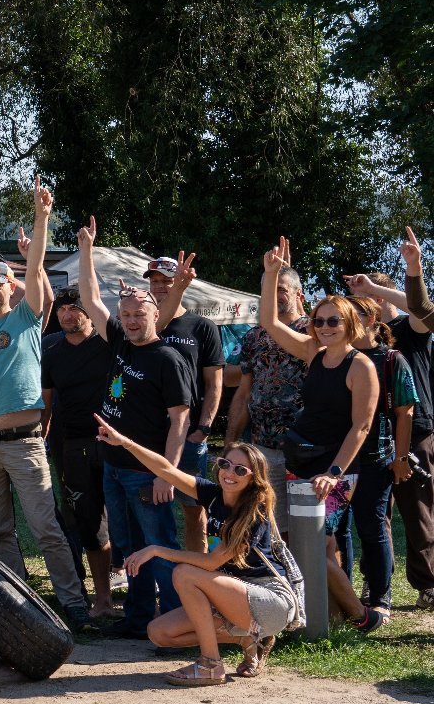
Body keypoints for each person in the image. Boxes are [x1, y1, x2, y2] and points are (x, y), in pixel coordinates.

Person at [0, 179, 91, 628]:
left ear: (10, 288)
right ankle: (17, 610)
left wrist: (42, 217)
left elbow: (34, 274)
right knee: (0, 533)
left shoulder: (27, 318)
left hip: (26, 444)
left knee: (46, 528)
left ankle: (73, 605)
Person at [94, 419, 295, 687]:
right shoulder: (213, 494)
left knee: (186, 574)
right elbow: (165, 468)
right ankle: (247, 639)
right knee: (159, 633)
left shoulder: (253, 511)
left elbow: (212, 563)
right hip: (235, 596)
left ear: (253, 478)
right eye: (224, 464)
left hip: (271, 601)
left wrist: (155, 549)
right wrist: (124, 442)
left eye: (240, 469)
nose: (229, 473)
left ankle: (211, 665)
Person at [74, 220, 195, 637]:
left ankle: (179, 624)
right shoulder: (122, 343)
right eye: (125, 315)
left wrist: (168, 473)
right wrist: (86, 249)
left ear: (155, 314)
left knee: (160, 548)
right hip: (112, 464)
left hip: (147, 471)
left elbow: (181, 418)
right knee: (130, 548)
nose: (129, 320)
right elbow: (90, 298)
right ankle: (140, 619)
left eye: (138, 314)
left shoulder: (167, 358)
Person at [258, 236, 383, 632]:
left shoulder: (361, 366)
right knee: (317, 544)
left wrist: (334, 471)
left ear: (348, 324)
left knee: (315, 546)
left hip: (337, 469)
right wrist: (271, 276)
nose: (325, 327)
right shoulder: (313, 352)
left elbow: (361, 426)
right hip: (303, 462)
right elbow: (269, 322)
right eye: (319, 320)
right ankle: (330, 614)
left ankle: (362, 616)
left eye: (333, 321)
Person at [352, 229, 434, 609]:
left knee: (418, 512)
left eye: (365, 300)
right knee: (373, 515)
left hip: (414, 431)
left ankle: (428, 584)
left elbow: (424, 311)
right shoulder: (359, 341)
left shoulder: (408, 330)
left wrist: (377, 288)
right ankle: (375, 583)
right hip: (370, 434)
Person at [40, 285, 117, 617]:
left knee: (130, 518)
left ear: (89, 313)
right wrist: (40, 442)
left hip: (117, 442)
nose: (68, 315)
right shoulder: (52, 352)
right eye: (62, 311)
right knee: (88, 522)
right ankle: (101, 598)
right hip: (74, 444)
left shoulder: (110, 345)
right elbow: (45, 406)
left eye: (75, 309)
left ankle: (144, 598)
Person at [145, 253, 227, 553]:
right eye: (154, 281)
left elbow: (214, 383)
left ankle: (198, 568)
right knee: (150, 509)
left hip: (188, 435)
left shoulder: (202, 327)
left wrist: (203, 428)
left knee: (194, 509)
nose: (160, 287)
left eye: (166, 282)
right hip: (148, 436)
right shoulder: (144, 325)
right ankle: (155, 572)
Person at [346, 291, 418, 618]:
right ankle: (342, 596)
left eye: (353, 316)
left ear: (372, 320)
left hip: (377, 458)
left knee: (372, 527)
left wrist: (401, 458)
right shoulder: (338, 357)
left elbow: (405, 412)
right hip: (338, 461)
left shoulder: (392, 360)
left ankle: (380, 598)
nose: (344, 323)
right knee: (336, 530)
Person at [226, 256, 311, 527]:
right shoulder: (254, 337)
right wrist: (230, 443)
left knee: (312, 530)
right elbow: (243, 395)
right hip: (263, 449)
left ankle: (315, 572)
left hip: (306, 448)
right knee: (271, 526)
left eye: (281, 288)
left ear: (299, 294)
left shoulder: (315, 331)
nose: (274, 295)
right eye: (268, 289)